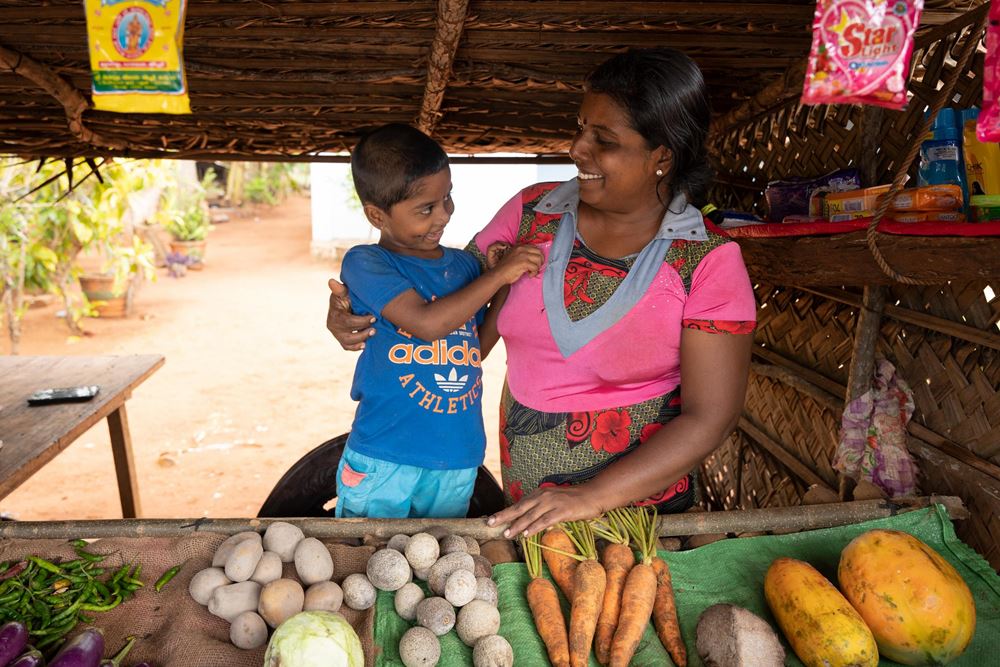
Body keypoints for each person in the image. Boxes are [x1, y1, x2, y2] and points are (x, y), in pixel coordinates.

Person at [327, 50, 756, 537]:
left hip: (643, 521)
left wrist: (590, 497)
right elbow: (439, 297)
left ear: (662, 156)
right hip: (527, 513)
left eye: (603, 140)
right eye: (580, 128)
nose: (576, 149)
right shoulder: (532, 213)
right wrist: (355, 306)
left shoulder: (706, 261)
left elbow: (711, 417)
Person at [334, 123, 543, 519]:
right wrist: (498, 275)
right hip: (386, 453)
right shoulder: (367, 262)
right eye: (425, 209)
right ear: (377, 215)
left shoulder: (464, 267)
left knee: (438, 555)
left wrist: (503, 285)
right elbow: (426, 324)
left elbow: (475, 349)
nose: (443, 215)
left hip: (457, 456)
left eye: (447, 197)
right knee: (367, 550)